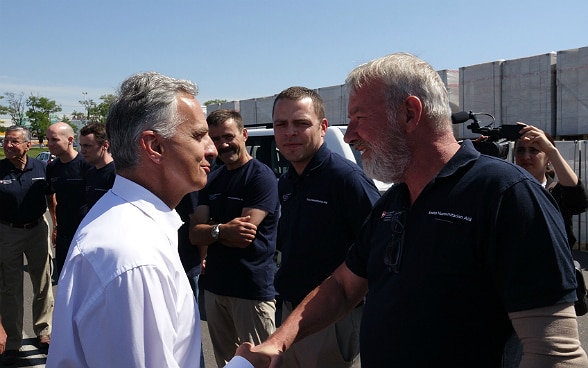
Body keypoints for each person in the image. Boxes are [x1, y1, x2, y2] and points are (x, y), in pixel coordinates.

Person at [249, 53, 588, 367]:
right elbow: (342, 286)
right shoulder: (394, 202)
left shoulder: (506, 195)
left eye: (359, 118)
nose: (349, 135)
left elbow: (555, 353)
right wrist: (278, 342)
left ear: (410, 113)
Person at [46, 72, 267, 368]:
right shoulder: (134, 257)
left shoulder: (130, 232)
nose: (212, 150)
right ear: (155, 146)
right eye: (199, 136)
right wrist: (244, 366)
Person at [270, 86, 380, 368]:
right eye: (281, 124)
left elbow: (379, 249)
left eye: (301, 123)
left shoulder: (346, 180)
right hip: (290, 311)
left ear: (322, 127)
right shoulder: (287, 181)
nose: (290, 132)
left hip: (331, 318)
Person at [191, 109, 279, 367]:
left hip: (250, 290)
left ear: (244, 134)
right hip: (216, 288)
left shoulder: (261, 177)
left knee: (261, 362)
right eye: (216, 139)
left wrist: (212, 231)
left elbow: (243, 236)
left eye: (228, 136)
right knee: (226, 363)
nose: (222, 145)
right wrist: (222, 230)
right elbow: (195, 234)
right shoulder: (213, 179)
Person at [0, 126, 54, 365]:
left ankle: (43, 332)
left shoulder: (42, 168)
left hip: (37, 229)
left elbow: (52, 197)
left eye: (14, 142)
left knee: (42, 282)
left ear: (28, 145)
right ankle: (13, 343)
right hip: (7, 230)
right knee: (9, 287)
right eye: (5, 142)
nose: (8, 145)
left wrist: (57, 225)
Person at [514, 125, 588, 249]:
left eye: (533, 150)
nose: (526, 157)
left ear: (548, 158)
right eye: (520, 150)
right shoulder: (507, 190)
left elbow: (578, 202)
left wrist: (552, 151)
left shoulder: (556, 192)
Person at [45, 121, 92, 282]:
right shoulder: (52, 168)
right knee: (65, 279)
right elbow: (50, 197)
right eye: (48, 139)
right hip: (63, 233)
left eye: (55, 139)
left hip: (86, 232)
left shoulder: (87, 165)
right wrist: (55, 224)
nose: (50, 144)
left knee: (85, 280)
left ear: (70, 140)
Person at [79, 122, 116, 209]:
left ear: (105, 145)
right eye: (81, 146)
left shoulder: (117, 174)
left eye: (87, 146)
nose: (82, 151)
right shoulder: (90, 173)